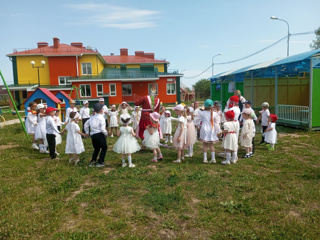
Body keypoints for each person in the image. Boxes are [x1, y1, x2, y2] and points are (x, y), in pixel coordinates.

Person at [84, 103, 108, 167]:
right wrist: (106, 134)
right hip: (100, 134)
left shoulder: (92, 118)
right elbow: (102, 129)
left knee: (96, 149)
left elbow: (86, 124)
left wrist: (87, 132)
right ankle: (100, 161)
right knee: (104, 147)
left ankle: (92, 161)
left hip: (93, 135)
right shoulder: (101, 118)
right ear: (101, 110)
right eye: (102, 108)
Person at [199, 99, 220, 164]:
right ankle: (213, 158)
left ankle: (205, 158)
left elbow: (197, 120)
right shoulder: (215, 113)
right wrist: (219, 131)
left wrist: (197, 125)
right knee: (211, 144)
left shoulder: (201, 113)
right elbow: (217, 123)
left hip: (204, 129)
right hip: (212, 129)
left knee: (205, 144)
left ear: (204, 106)